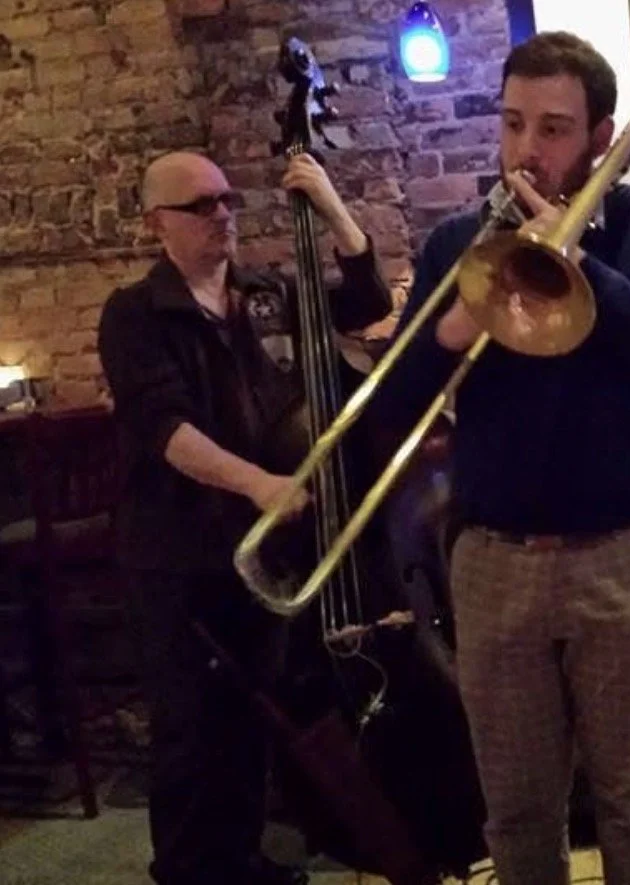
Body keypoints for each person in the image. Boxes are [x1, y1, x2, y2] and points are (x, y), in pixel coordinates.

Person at [371, 30, 630, 885]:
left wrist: (579, 260)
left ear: (601, 137)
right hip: (495, 561)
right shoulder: (458, 242)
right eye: (514, 123)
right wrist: (452, 326)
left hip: (628, 557)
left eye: (555, 128)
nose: (528, 148)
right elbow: (393, 402)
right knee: (519, 814)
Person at [97, 150, 391, 885]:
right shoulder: (134, 313)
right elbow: (164, 430)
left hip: (260, 553)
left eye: (226, 200)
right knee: (190, 728)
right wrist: (259, 483)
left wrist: (332, 207)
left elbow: (367, 303)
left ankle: (239, 858)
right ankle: (190, 869)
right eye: (199, 206)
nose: (220, 215)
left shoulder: (263, 293)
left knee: (249, 719)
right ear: (154, 223)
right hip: (178, 553)